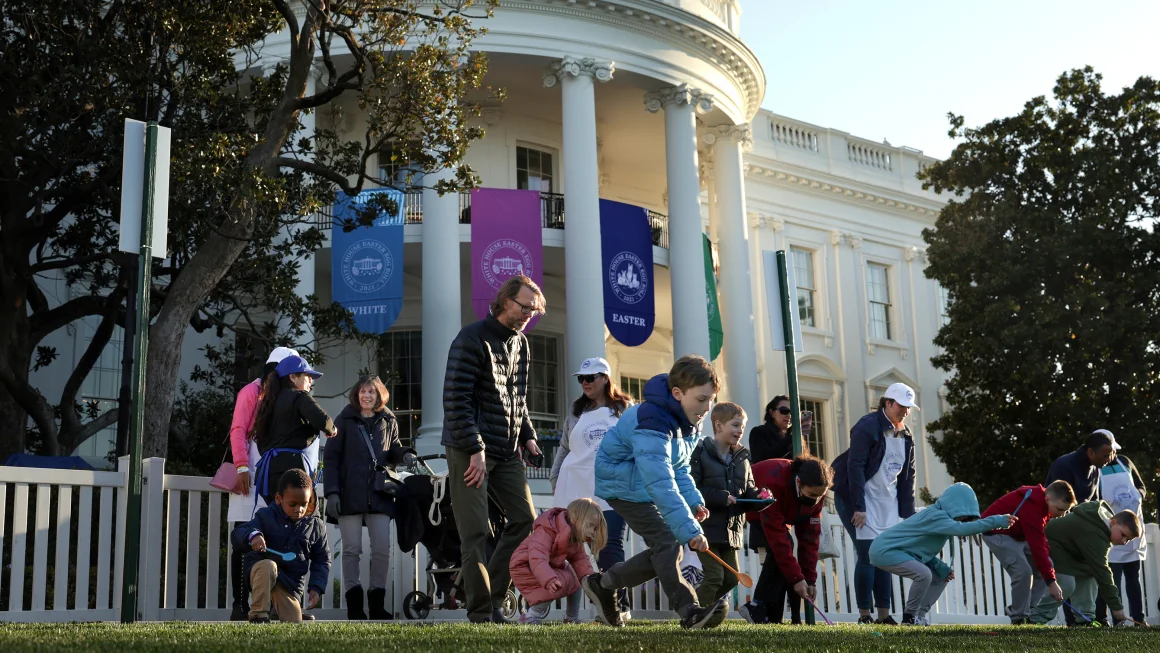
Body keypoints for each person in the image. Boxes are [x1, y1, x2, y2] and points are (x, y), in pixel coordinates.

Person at [584, 355, 726, 630]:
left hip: (644, 485)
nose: (707, 408)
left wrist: (693, 501)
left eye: (711, 400)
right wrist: (689, 529)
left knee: (667, 547)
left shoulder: (689, 420)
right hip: (622, 486)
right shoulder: (652, 420)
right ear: (678, 393)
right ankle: (689, 611)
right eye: (701, 399)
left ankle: (603, 584)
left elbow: (679, 467)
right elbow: (660, 480)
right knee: (669, 543)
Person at [441, 275, 544, 624]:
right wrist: (475, 448)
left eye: (534, 310)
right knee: (475, 532)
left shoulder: (522, 344)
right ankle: (481, 612)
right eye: (525, 307)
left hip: (506, 449)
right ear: (505, 301)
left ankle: (495, 597)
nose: (529, 314)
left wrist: (528, 435)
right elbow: (456, 400)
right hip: (468, 448)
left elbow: (519, 398)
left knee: (525, 520)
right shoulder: (471, 338)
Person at [323, 374, 417, 620]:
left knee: (382, 550)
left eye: (371, 391)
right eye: (363, 391)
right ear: (357, 394)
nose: (366, 395)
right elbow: (331, 459)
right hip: (349, 493)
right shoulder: (343, 420)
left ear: (379, 395)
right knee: (351, 550)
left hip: (380, 493)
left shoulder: (389, 419)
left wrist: (405, 454)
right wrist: (332, 493)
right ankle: (354, 607)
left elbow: (393, 448)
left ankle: (377, 605)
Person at [549, 357, 634, 622]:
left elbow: (636, 444)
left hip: (612, 485)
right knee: (571, 547)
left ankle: (620, 605)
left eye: (590, 378)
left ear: (605, 378)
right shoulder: (576, 411)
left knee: (609, 544)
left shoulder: (625, 409)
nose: (584, 383)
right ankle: (577, 612)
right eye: (581, 379)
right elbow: (565, 448)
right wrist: (555, 477)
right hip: (574, 485)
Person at [831, 382, 918, 625]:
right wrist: (859, 506)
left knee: (884, 557)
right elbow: (855, 466)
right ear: (887, 403)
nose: (905, 411)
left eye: (909, 407)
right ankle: (864, 615)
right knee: (868, 555)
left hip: (886, 502)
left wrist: (908, 514)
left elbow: (908, 475)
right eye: (901, 406)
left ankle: (883, 615)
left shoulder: (906, 434)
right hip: (858, 499)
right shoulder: (867, 426)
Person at [870, 483, 1016, 626]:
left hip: (898, 551)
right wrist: (996, 521)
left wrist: (940, 566)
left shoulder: (940, 518)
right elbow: (963, 529)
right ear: (955, 504)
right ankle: (909, 618)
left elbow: (919, 550)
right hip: (884, 550)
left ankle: (918, 617)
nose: (963, 519)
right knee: (923, 574)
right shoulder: (936, 516)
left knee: (940, 577)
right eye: (963, 514)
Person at [225, 346, 299, 621]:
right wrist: (242, 466)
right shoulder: (252, 391)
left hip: (275, 478)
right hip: (250, 475)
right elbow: (238, 430)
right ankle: (239, 605)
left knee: (276, 539)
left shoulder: (289, 396)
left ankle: (274, 605)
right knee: (243, 538)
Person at [741, 455, 833, 624]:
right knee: (784, 547)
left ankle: (772, 617)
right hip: (756, 509)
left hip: (782, 514)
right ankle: (757, 605)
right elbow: (778, 541)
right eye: (812, 494)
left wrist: (809, 579)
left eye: (820, 496)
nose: (815, 500)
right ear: (798, 482)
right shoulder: (774, 481)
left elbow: (810, 540)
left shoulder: (817, 494)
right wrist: (797, 579)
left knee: (786, 556)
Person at [232, 469, 331, 623]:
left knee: (293, 622)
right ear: (279, 499)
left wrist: (316, 587)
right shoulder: (266, 516)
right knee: (268, 566)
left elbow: (322, 559)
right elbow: (238, 533)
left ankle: (277, 610)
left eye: (303, 504)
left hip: (289, 584)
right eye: (293, 504)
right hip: (262, 572)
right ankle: (259, 615)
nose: (299, 510)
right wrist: (254, 535)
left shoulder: (315, 526)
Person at [689, 402, 762, 611]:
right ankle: (692, 612)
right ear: (718, 426)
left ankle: (705, 611)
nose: (740, 431)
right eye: (735, 425)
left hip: (731, 530)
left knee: (730, 578)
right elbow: (692, 488)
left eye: (742, 427)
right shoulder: (700, 452)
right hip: (706, 529)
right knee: (715, 576)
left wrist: (760, 498)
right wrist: (722, 497)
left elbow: (748, 489)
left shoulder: (742, 459)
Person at [1030, 501, 1141, 626]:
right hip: (1049, 543)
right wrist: (1116, 606)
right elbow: (1102, 571)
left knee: (1089, 574)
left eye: (1128, 539)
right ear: (1113, 522)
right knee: (1066, 584)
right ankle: (1036, 618)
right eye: (1123, 535)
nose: (1124, 541)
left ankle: (1084, 620)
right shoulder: (1094, 531)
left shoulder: (1101, 525)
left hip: (1069, 551)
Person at [980, 481, 1077, 624]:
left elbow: (1041, 543)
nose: (1062, 515)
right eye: (1060, 509)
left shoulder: (1043, 505)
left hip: (1016, 534)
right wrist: (1052, 583)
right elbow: (1037, 546)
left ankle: (1028, 610)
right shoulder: (1033, 506)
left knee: (1046, 565)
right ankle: (1019, 617)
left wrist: (1049, 574)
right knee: (1023, 571)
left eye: (1065, 511)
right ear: (1048, 499)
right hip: (996, 532)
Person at [250, 355, 336, 505]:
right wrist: (332, 429)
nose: (311, 380)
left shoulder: (269, 402)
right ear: (293, 377)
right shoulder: (299, 396)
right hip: (291, 472)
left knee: (276, 515)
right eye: (307, 376)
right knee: (298, 516)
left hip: (267, 473)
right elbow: (324, 420)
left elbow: (260, 439)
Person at [509, 498, 607, 624]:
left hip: (545, 567)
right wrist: (549, 578)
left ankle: (572, 617)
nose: (592, 531)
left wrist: (589, 580)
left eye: (595, 528)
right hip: (524, 566)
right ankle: (530, 617)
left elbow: (580, 560)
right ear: (574, 519)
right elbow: (537, 557)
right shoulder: (547, 530)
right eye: (590, 525)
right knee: (558, 584)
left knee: (576, 580)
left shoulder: (574, 538)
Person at [1094, 431, 1149, 625]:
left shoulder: (1125, 462)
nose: (1112, 455)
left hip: (1132, 530)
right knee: (1111, 581)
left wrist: (1137, 495)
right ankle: (1111, 620)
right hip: (1112, 531)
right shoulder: (1094, 469)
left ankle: (1138, 619)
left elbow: (1141, 486)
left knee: (1134, 580)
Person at [1045, 430, 1117, 504]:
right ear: (1090, 452)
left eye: (1110, 455)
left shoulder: (1095, 467)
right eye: (1105, 456)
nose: (1109, 459)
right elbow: (1061, 504)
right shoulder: (1064, 466)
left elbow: (1094, 502)